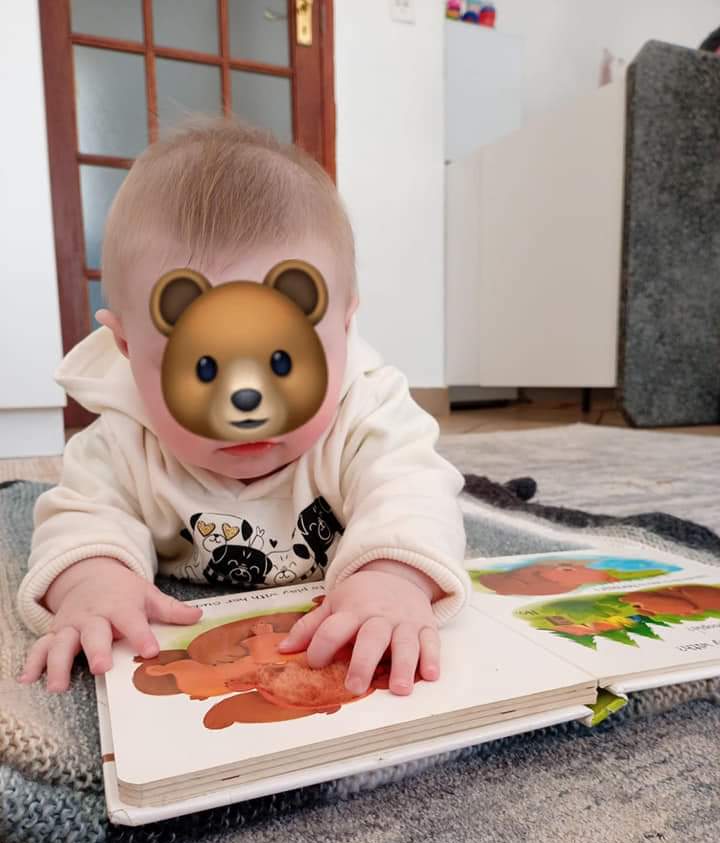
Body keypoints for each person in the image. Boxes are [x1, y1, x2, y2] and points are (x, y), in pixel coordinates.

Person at [16, 118, 468, 699]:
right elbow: (82, 516)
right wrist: (91, 582)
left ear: (343, 325)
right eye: (203, 369)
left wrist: (393, 578)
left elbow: (415, 492)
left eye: (282, 361)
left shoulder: (367, 412)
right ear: (125, 347)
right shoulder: (124, 438)